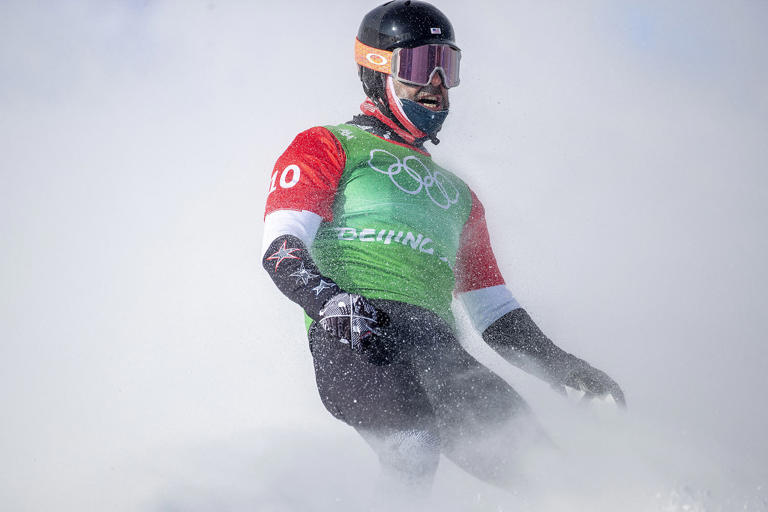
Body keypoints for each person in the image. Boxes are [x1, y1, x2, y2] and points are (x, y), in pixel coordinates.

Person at [262, 0, 625, 498]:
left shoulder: (460, 195)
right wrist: (328, 302)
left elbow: (495, 312)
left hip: (437, 346)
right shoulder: (327, 144)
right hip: (358, 337)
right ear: (377, 71)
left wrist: (564, 367)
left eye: (446, 66)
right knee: (413, 445)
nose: (435, 82)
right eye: (417, 65)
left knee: (549, 473)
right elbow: (281, 249)